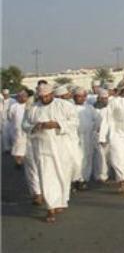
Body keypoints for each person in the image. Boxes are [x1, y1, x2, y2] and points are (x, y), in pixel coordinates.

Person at [22, 84, 78, 223]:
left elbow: (75, 122)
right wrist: (36, 126)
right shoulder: (33, 108)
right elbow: (25, 125)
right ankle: (50, 208)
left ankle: (59, 201)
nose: (45, 98)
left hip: (62, 147)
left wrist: (57, 124)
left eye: (47, 95)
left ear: (52, 94)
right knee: (46, 177)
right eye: (42, 96)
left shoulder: (64, 105)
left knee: (63, 176)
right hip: (42, 149)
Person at [98, 82, 124, 193]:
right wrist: (102, 136)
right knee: (118, 158)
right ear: (122, 89)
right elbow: (107, 119)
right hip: (117, 134)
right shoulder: (113, 102)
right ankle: (121, 181)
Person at [10, 90, 42, 204]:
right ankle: (37, 193)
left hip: (45, 144)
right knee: (32, 169)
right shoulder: (21, 108)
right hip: (28, 142)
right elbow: (22, 125)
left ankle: (45, 193)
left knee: (44, 169)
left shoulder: (43, 109)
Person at [72, 87, 100, 190]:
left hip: (88, 137)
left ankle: (84, 180)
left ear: (85, 97)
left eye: (82, 96)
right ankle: (75, 179)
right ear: (74, 97)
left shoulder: (89, 108)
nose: (80, 98)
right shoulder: (70, 107)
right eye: (78, 96)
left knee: (87, 158)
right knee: (76, 159)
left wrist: (95, 128)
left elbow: (97, 119)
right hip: (74, 138)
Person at [93, 89, 112, 183]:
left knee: (107, 156)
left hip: (109, 135)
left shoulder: (109, 108)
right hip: (97, 136)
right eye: (102, 98)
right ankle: (100, 175)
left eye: (106, 98)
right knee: (100, 157)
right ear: (98, 98)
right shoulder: (94, 108)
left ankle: (106, 174)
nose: (105, 100)